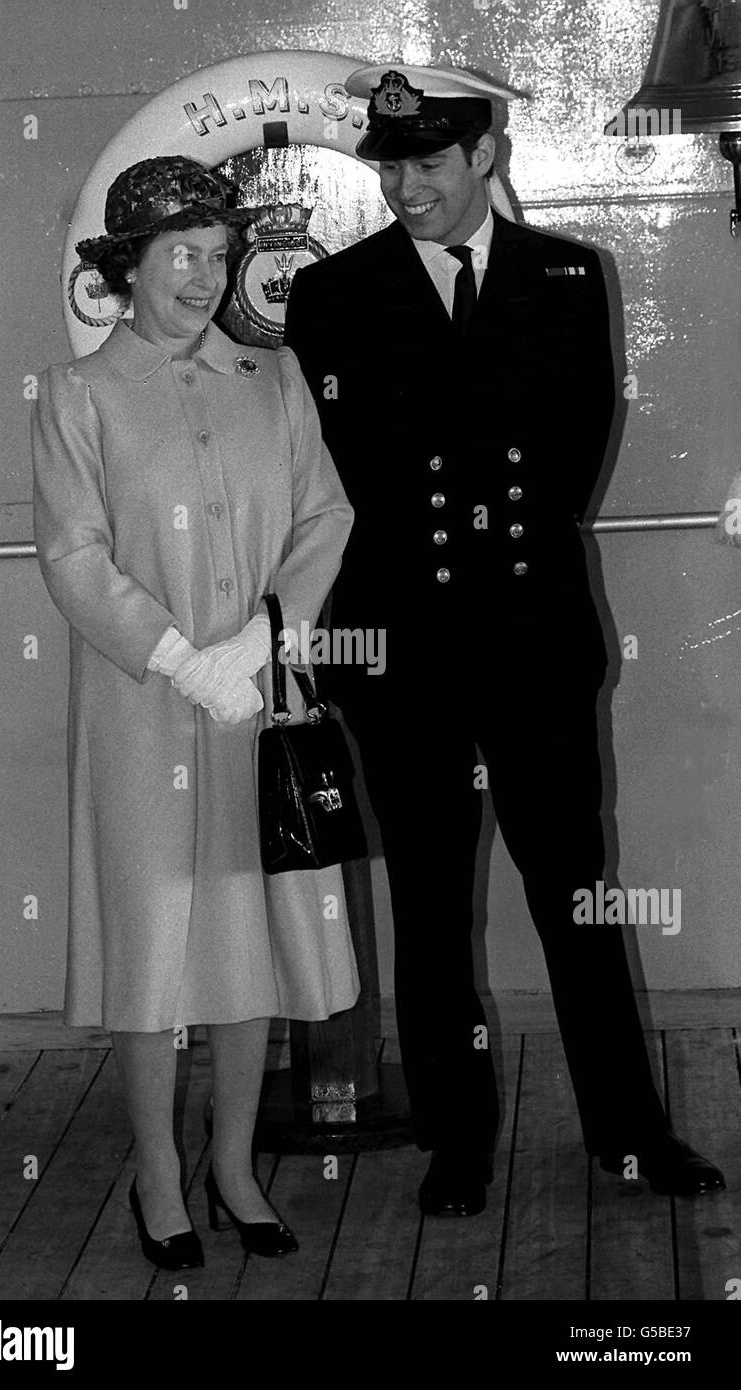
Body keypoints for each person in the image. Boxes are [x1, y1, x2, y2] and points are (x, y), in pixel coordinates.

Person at [283, 64, 725, 1215]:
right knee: (431, 909)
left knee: (577, 896)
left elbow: (568, 462)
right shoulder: (333, 294)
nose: (403, 189)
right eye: (388, 167)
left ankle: (629, 1134)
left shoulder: (568, 276)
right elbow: (348, 477)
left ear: (484, 156)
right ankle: (455, 1140)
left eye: (426, 165)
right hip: (403, 653)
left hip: (529, 639)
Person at [31, 156, 359, 1267]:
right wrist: (179, 656)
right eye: (181, 254)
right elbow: (72, 555)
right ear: (126, 264)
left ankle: (229, 1162)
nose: (205, 277)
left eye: (219, 256)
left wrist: (264, 641)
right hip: (143, 713)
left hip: (261, 704)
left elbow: (326, 514)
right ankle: (157, 1170)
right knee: (151, 938)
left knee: (248, 932)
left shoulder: (269, 376)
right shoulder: (79, 395)